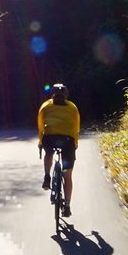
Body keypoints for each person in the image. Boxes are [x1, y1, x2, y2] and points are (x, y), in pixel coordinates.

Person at [37, 83, 80, 217]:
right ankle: (67, 206)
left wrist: (40, 142)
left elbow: (40, 125)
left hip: (49, 138)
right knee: (67, 176)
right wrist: (75, 143)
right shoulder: (72, 107)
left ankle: (47, 176)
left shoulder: (45, 105)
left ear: (52, 94)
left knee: (49, 153)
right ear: (66, 95)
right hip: (67, 141)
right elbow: (76, 126)